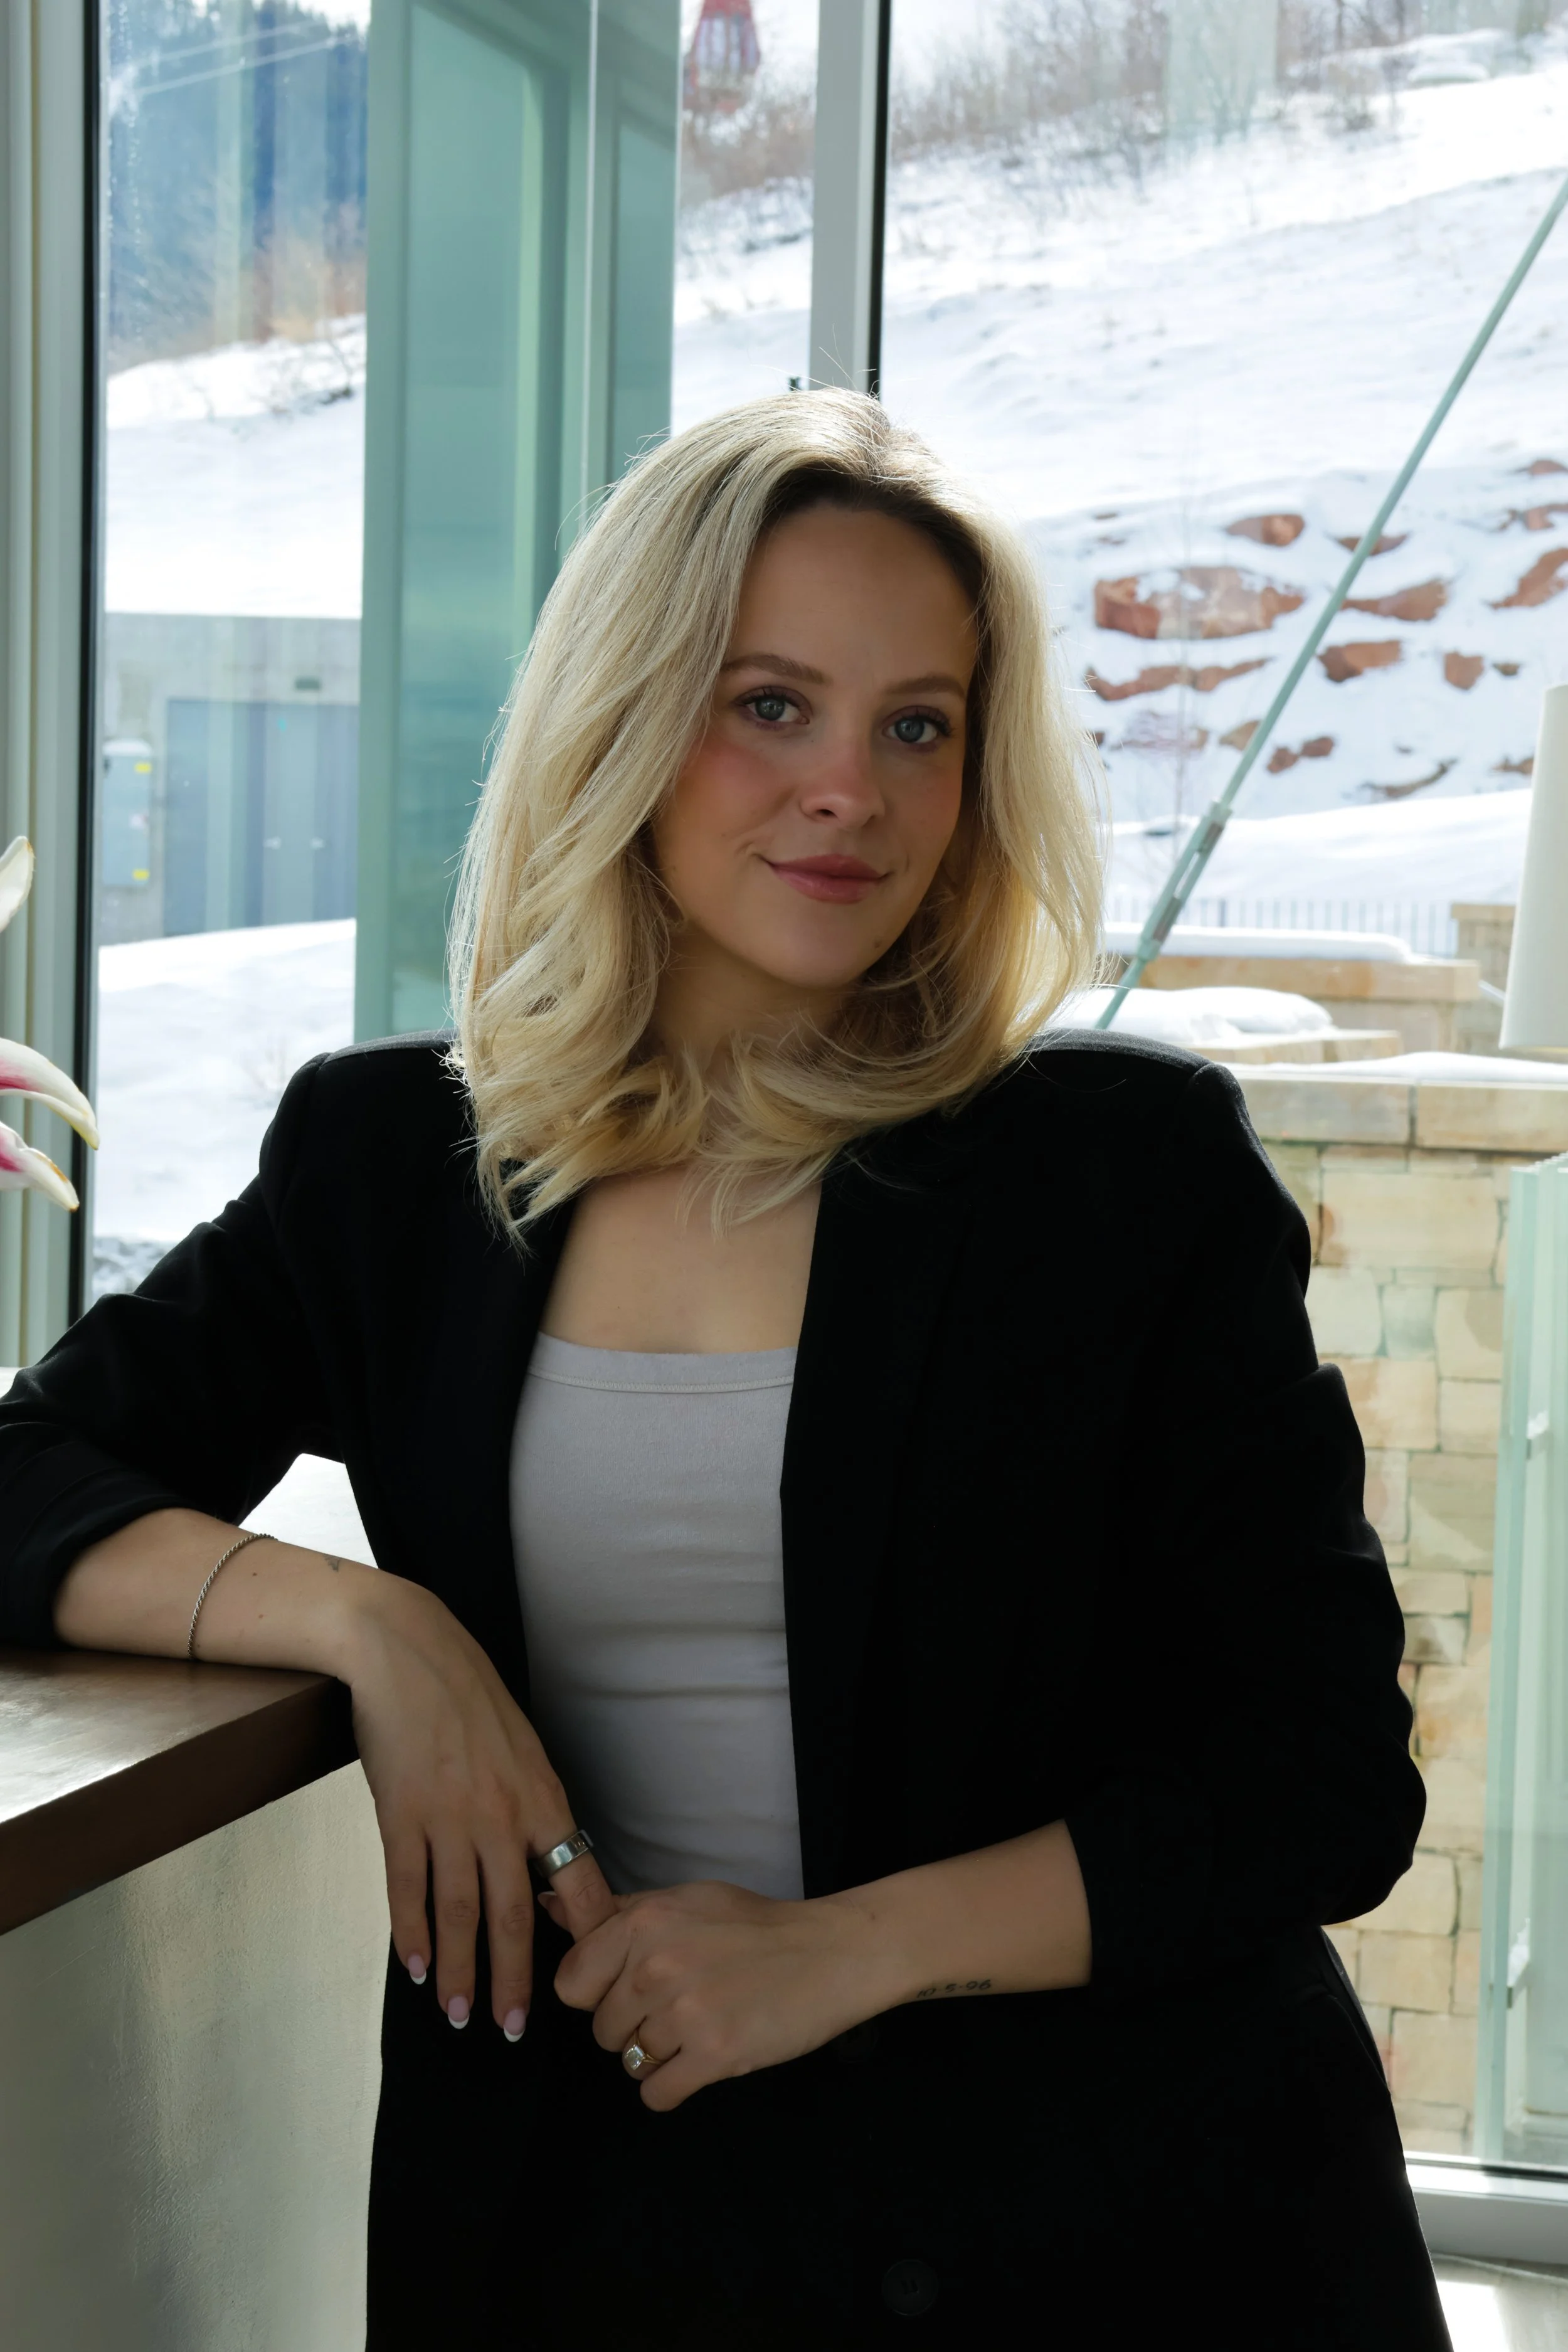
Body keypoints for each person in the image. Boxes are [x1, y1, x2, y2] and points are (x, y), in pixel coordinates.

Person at [0, 389, 1450, 2349]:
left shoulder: (1124, 1177)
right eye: (770, 702)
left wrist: (840, 1954)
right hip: (585, 2213)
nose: (849, 786)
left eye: (915, 723)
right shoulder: (394, 1171)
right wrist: (379, 1629)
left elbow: (1319, 1783)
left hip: (1126, 2209)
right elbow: (31, 1471)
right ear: (623, 718)